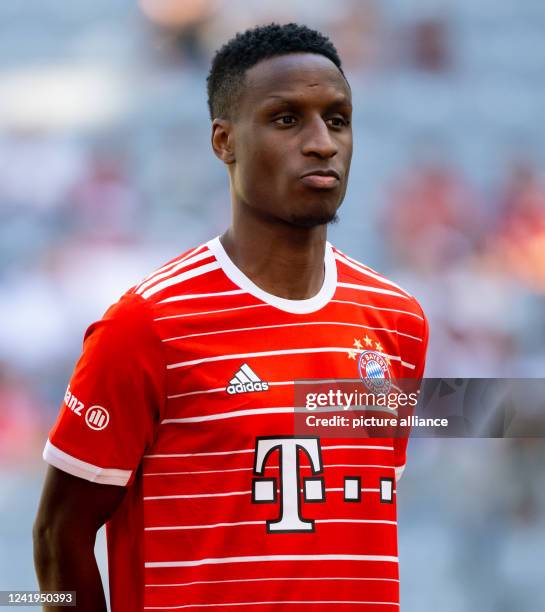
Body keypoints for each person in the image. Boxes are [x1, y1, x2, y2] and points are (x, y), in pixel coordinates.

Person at [33, 23, 428, 611]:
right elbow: (57, 536)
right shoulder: (147, 324)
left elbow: (359, 514)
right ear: (224, 141)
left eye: (337, 119)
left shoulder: (399, 320)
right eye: (287, 119)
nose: (322, 142)